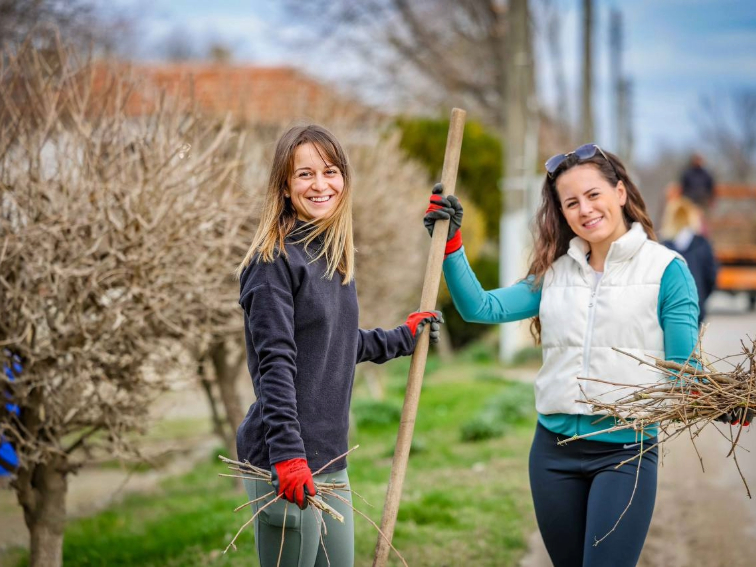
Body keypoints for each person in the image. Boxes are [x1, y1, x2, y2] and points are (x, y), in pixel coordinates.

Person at [424, 143, 709, 567]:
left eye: (594, 195)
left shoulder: (666, 270)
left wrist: (721, 400)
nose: (585, 210)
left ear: (620, 193)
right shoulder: (554, 273)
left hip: (624, 453)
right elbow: (480, 307)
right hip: (552, 454)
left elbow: (684, 370)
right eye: (571, 202)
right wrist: (450, 245)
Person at [235, 124, 443, 567]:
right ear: (285, 188)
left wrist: (400, 339)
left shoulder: (329, 255)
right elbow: (276, 364)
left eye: (330, 171)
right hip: (283, 461)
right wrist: (289, 456)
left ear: (344, 179)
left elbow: (333, 344)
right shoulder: (272, 262)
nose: (320, 184)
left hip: (330, 455)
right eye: (304, 174)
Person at [661, 197, 719, 325]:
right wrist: (702, 297)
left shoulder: (663, 247)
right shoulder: (703, 244)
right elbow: (711, 276)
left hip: (669, 309)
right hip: (696, 306)